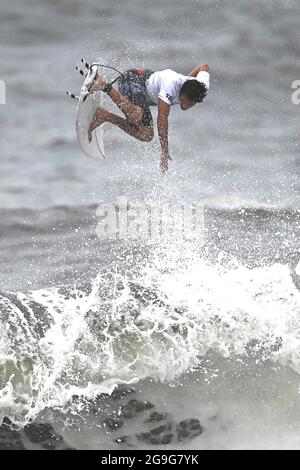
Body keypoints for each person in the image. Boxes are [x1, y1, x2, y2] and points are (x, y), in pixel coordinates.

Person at [87, 64, 210, 171]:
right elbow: (162, 119)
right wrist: (164, 150)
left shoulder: (201, 87)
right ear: (181, 91)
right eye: (184, 101)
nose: (186, 106)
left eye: (191, 104)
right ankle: (103, 84)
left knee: (146, 135)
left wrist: (190, 79)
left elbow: (203, 66)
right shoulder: (171, 86)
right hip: (133, 79)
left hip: (144, 97)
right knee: (136, 117)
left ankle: (105, 116)